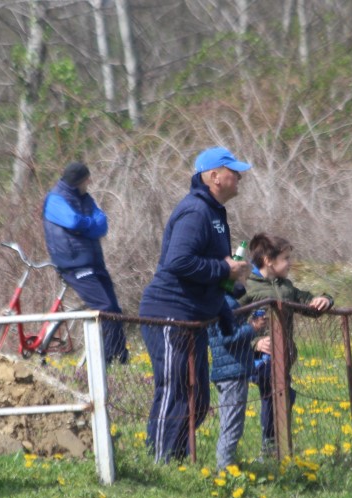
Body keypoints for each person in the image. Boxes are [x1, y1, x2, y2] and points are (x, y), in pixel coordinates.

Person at [139, 146, 253, 463]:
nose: (240, 175)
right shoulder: (195, 211)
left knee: (198, 399)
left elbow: (208, 271)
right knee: (175, 392)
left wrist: (233, 282)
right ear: (213, 176)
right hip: (168, 314)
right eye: (234, 170)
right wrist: (223, 269)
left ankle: (174, 461)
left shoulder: (216, 214)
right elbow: (179, 262)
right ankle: (159, 465)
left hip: (194, 318)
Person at [239, 232, 334, 457]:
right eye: (286, 258)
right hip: (260, 360)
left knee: (284, 396)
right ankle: (270, 446)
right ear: (269, 261)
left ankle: (276, 447)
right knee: (276, 395)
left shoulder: (287, 288)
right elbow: (231, 322)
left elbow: (307, 302)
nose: (290, 263)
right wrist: (254, 342)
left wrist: (325, 300)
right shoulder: (247, 290)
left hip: (284, 358)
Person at [42, 161, 128, 365]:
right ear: (78, 180)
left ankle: (119, 356)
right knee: (103, 306)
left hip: (94, 262)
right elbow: (72, 221)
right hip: (74, 264)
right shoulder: (55, 199)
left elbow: (102, 224)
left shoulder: (85, 198)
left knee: (114, 309)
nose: (90, 182)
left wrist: (84, 226)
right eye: (87, 178)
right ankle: (104, 359)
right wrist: (87, 224)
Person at [207, 285, 271, 470]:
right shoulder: (226, 303)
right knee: (232, 426)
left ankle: (226, 466)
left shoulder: (218, 300)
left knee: (231, 423)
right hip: (231, 373)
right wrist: (253, 327)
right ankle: (225, 470)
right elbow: (228, 338)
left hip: (228, 371)